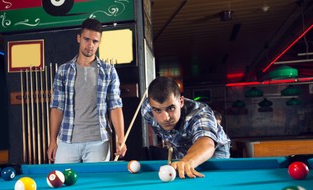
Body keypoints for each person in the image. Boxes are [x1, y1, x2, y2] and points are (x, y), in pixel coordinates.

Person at [47, 18, 126, 163]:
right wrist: (53, 140)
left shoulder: (108, 71)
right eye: (86, 39)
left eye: (95, 41)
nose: (90, 45)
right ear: (79, 38)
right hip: (67, 140)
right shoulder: (63, 71)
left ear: (99, 42)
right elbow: (57, 108)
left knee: (95, 184)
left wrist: (121, 138)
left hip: (99, 142)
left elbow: (115, 106)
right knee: (63, 182)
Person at [141, 76, 230, 178]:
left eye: (171, 108)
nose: (165, 118)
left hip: (215, 149)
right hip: (182, 147)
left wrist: (187, 160)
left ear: (181, 102)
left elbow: (206, 143)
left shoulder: (199, 113)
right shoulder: (147, 110)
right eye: (157, 110)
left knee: (209, 180)